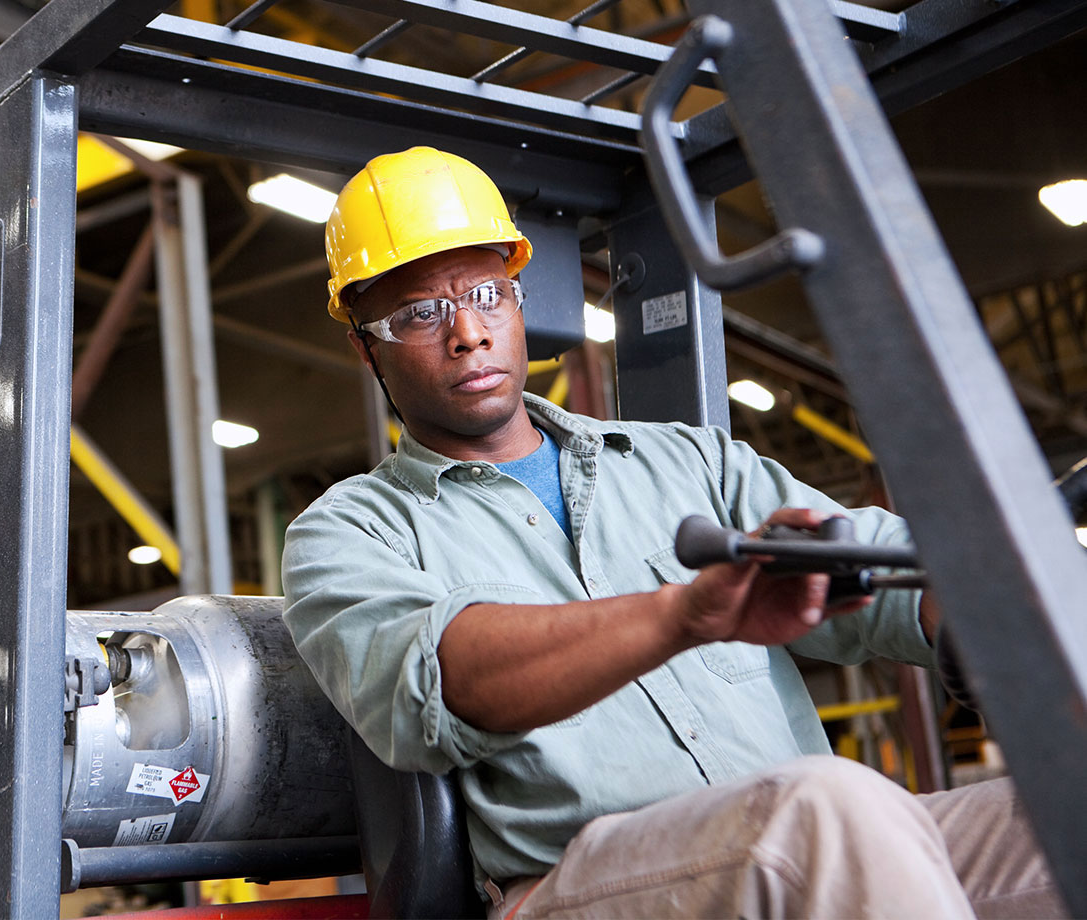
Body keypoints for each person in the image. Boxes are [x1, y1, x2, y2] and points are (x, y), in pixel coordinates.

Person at [281, 146, 1065, 918]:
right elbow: (442, 687)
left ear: (520, 300)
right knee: (827, 808)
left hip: (809, 843)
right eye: (421, 313)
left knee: (1058, 810)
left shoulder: (687, 462)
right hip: (578, 884)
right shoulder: (349, 534)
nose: (468, 333)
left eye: (487, 292)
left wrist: (980, 608)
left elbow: (877, 563)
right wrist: (682, 613)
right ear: (364, 346)